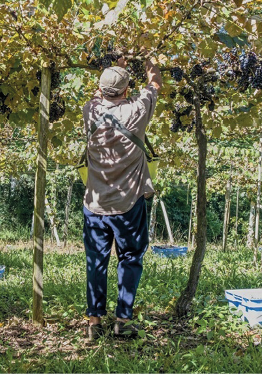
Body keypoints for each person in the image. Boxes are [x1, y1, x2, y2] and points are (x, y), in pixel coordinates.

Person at [82, 56, 162, 340]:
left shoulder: (89, 110)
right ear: (128, 90)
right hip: (128, 204)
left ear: (100, 89)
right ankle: (123, 320)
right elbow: (154, 83)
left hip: (95, 203)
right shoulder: (138, 110)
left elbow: (100, 95)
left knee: (96, 261)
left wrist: (114, 68)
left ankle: (94, 322)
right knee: (130, 258)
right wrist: (150, 60)